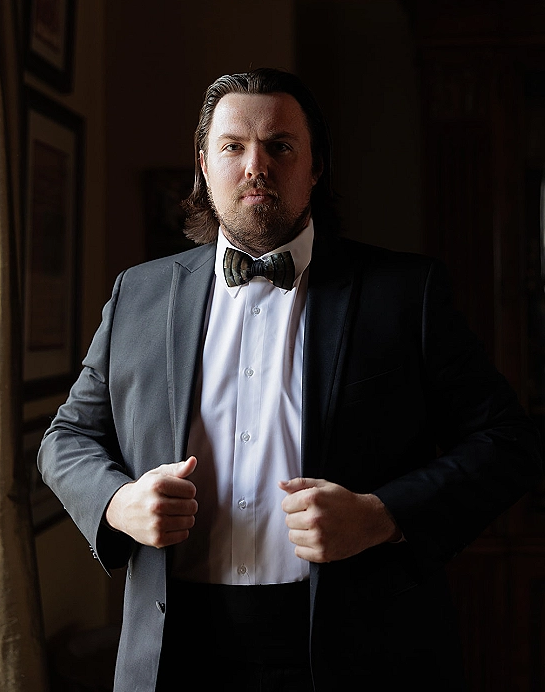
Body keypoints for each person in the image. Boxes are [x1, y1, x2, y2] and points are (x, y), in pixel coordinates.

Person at [38, 67, 542, 692]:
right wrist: (117, 503)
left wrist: (381, 514)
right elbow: (66, 438)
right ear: (203, 162)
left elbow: (507, 441)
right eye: (233, 146)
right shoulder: (137, 293)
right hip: (174, 651)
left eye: (280, 145)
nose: (257, 165)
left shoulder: (405, 293)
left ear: (315, 165)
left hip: (357, 652)